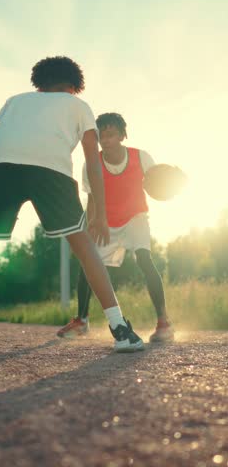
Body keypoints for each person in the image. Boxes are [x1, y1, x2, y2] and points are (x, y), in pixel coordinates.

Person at [0, 57, 144, 353]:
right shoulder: (79, 106)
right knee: (85, 248)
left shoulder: (15, 100)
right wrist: (101, 216)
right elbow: (93, 161)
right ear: (73, 86)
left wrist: (4, 160)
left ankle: (117, 327)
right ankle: (120, 329)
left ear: (39, 84)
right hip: (50, 171)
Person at [57, 112, 174, 342]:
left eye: (111, 134)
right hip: (105, 221)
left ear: (122, 135)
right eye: (102, 135)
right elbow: (91, 199)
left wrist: (170, 184)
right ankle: (82, 320)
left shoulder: (141, 157)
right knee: (88, 263)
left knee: (144, 259)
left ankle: (164, 322)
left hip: (135, 217)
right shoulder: (92, 164)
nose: (106, 139)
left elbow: (158, 181)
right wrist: (90, 226)